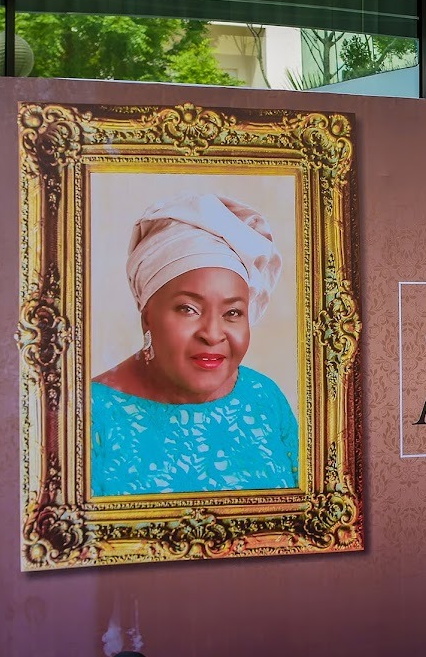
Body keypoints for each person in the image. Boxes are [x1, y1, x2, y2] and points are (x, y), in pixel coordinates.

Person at [90, 192, 298, 497]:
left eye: (233, 312)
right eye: (189, 309)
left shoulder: (264, 397)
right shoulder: (88, 416)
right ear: (147, 317)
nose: (213, 334)